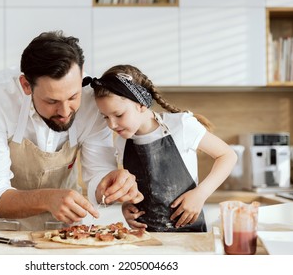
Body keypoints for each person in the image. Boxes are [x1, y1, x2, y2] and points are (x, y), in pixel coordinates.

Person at [0, 32, 143, 231]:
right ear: (26, 85)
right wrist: (47, 198)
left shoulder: (92, 99)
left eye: (73, 97)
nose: (65, 111)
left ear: (81, 75)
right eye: (51, 101)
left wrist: (111, 184)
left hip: (62, 230)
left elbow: (97, 173)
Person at [84, 64, 237, 232]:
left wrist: (201, 194)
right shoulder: (122, 142)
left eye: (119, 115)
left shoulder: (181, 125)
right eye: (105, 117)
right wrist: (127, 205)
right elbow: (136, 189)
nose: (111, 124)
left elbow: (228, 155)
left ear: (141, 104)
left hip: (188, 235)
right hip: (146, 239)